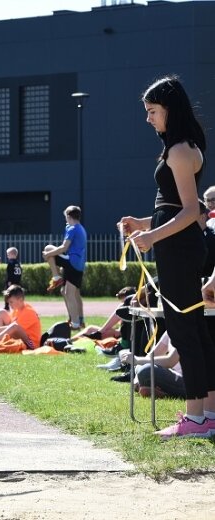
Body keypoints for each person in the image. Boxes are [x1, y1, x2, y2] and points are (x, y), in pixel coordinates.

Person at [125, 74, 215, 439]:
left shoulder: (179, 150)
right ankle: (207, 413)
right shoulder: (179, 147)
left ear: (169, 109)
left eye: (153, 111)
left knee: (185, 332)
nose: (149, 118)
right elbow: (175, 208)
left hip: (179, 249)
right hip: (178, 245)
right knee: (195, 331)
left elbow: (192, 211)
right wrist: (142, 223)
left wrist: (152, 235)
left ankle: (196, 419)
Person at [43, 205, 87, 329]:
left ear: (68, 216)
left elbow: (64, 248)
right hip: (78, 264)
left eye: (66, 217)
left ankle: (75, 323)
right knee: (71, 293)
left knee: (69, 293)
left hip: (73, 263)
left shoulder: (72, 228)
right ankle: (79, 320)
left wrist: (47, 254)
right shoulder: (80, 228)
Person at [119, 331, 185, 399]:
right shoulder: (170, 330)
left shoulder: (188, 329)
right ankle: (157, 390)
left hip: (189, 383)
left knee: (146, 369)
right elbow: (150, 357)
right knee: (142, 366)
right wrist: (136, 379)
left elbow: (170, 361)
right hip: (175, 376)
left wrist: (136, 360)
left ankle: (165, 392)